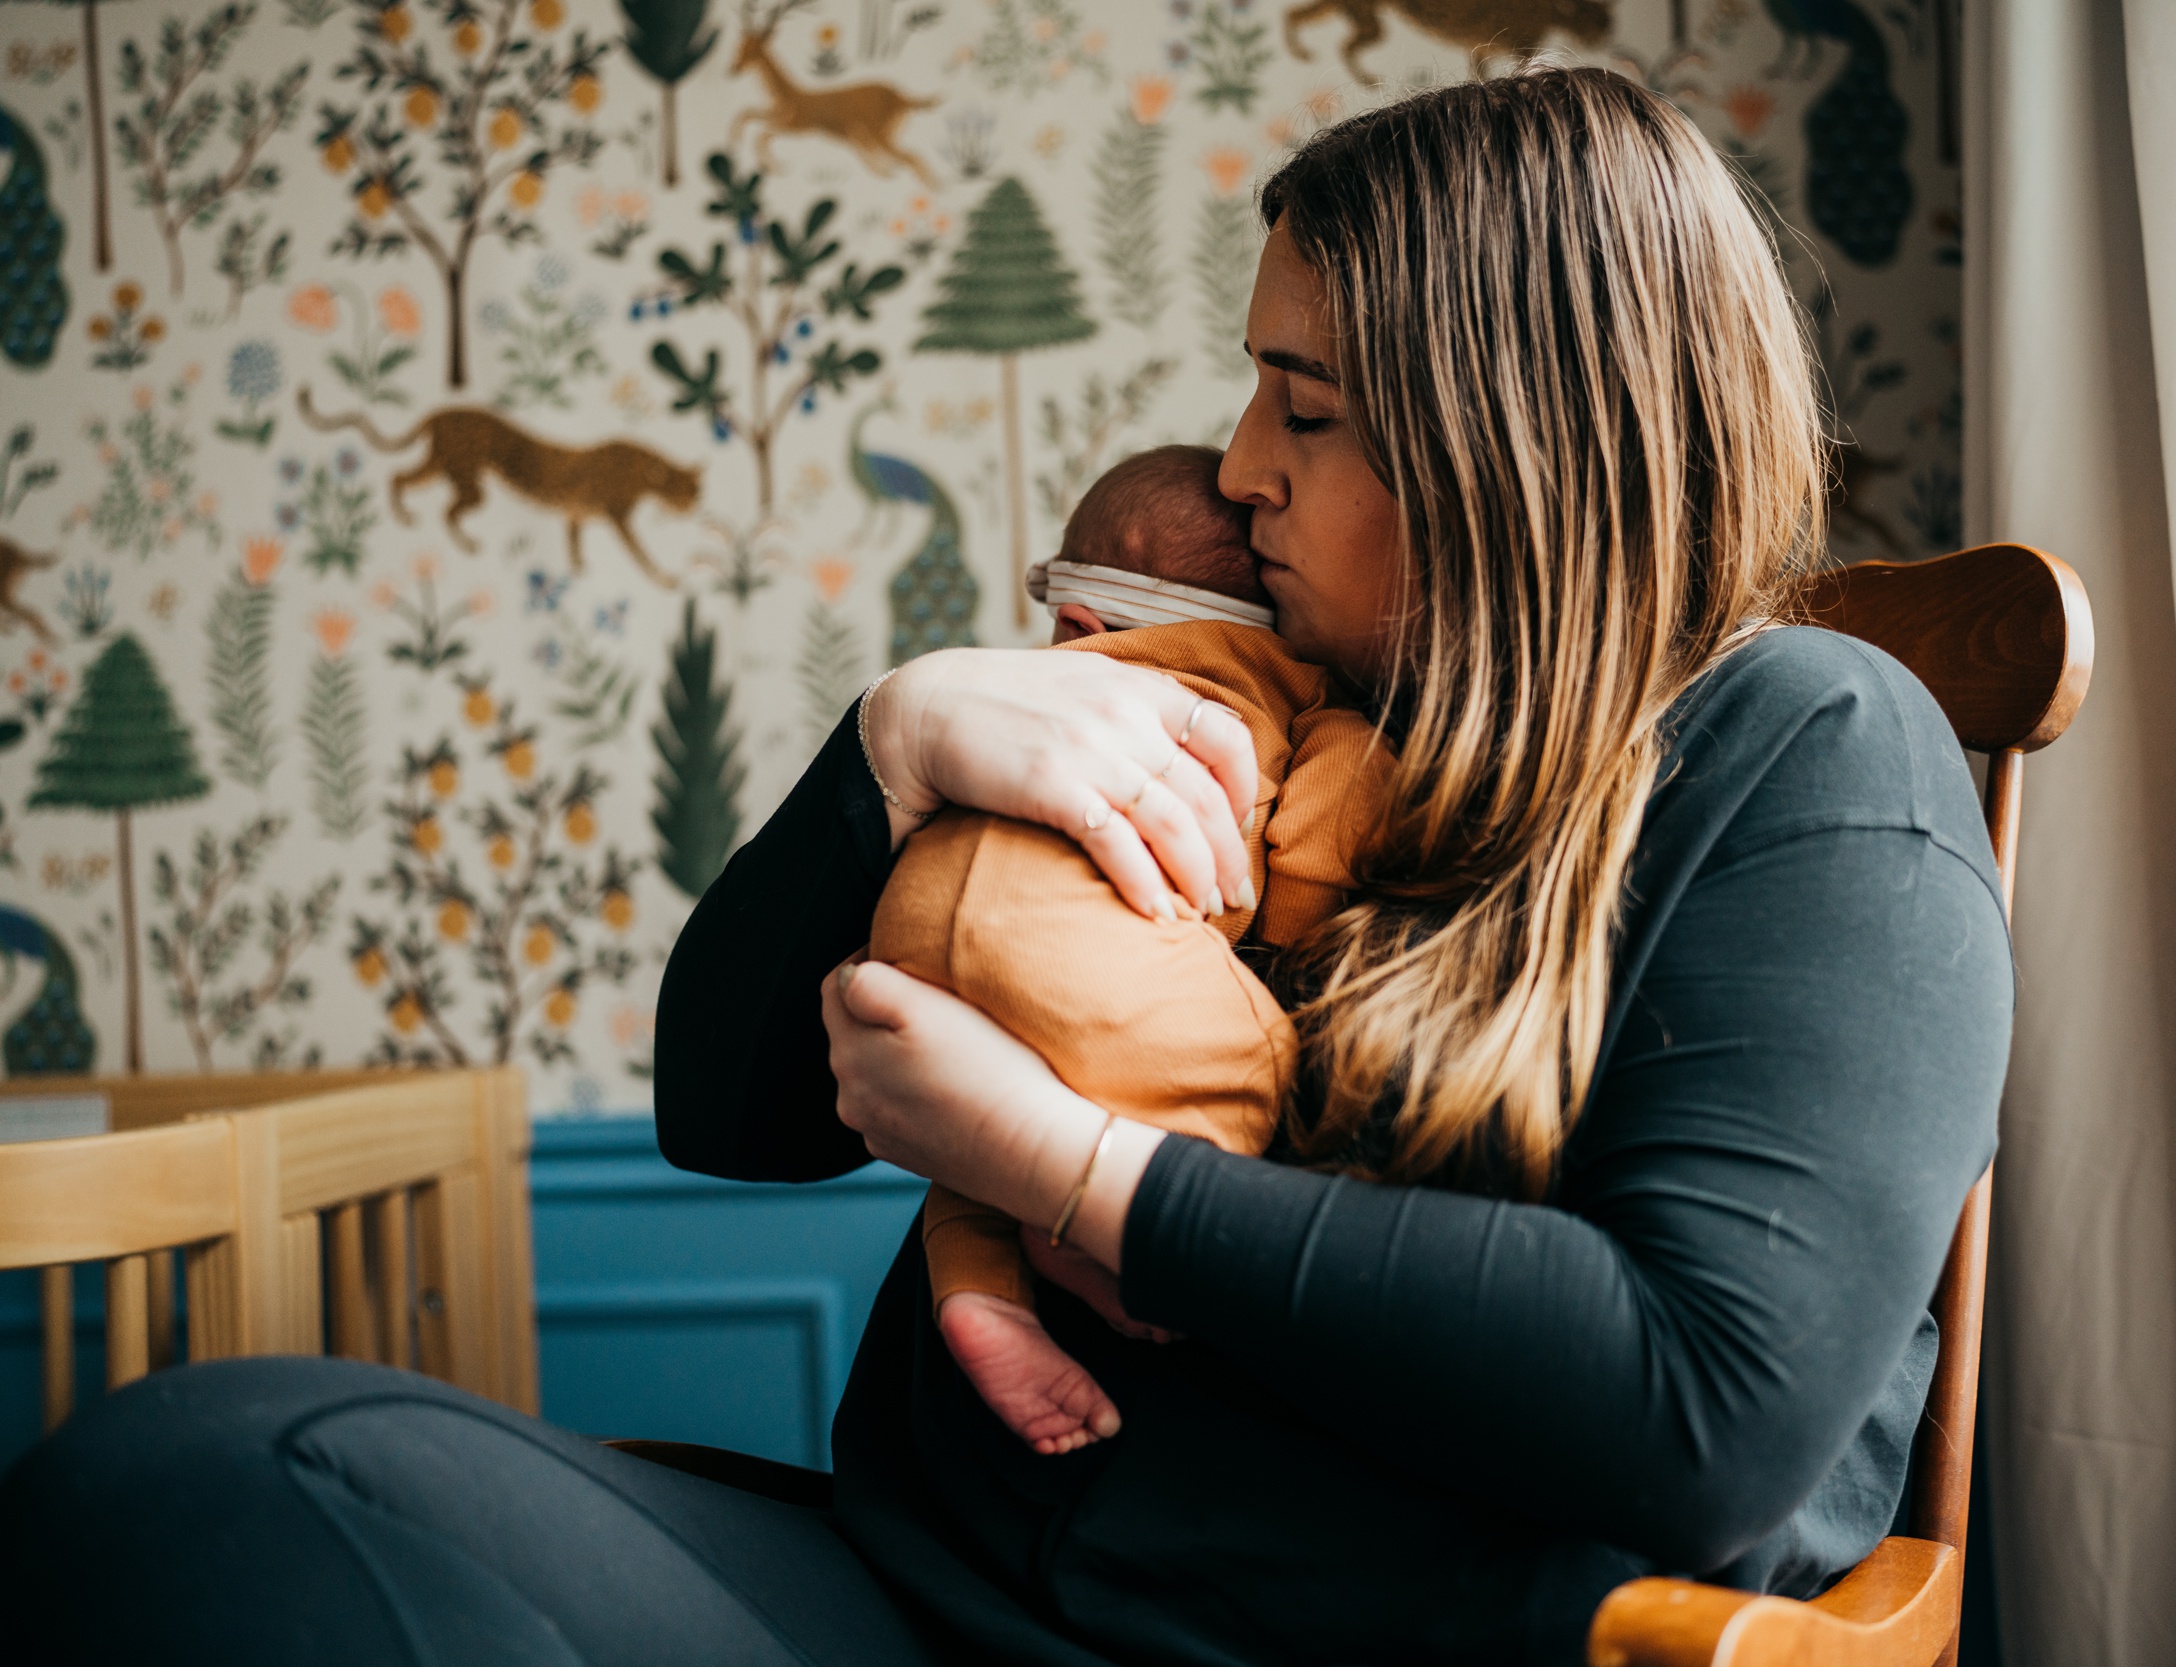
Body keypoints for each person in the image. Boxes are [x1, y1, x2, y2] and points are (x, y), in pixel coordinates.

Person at [0, 69, 2012, 1667]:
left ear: (1514, 444)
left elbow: (1703, 1408)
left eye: (1300, 406)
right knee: (200, 1465)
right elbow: (733, 1112)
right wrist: (891, 752)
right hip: (915, 1582)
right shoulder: (1266, 712)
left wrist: (1075, 1168)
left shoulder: (1802, 755)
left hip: (1306, 1635)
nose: (1234, 466)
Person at [892, 443, 1389, 1457]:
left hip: (913, 928)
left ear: (1076, 625)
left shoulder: (1004, 703)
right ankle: (1095, 1233)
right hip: (1092, 964)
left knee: (970, 1135)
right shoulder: (1266, 699)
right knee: (1252, 1054)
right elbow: (1304, 852)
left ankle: (980, 1288)